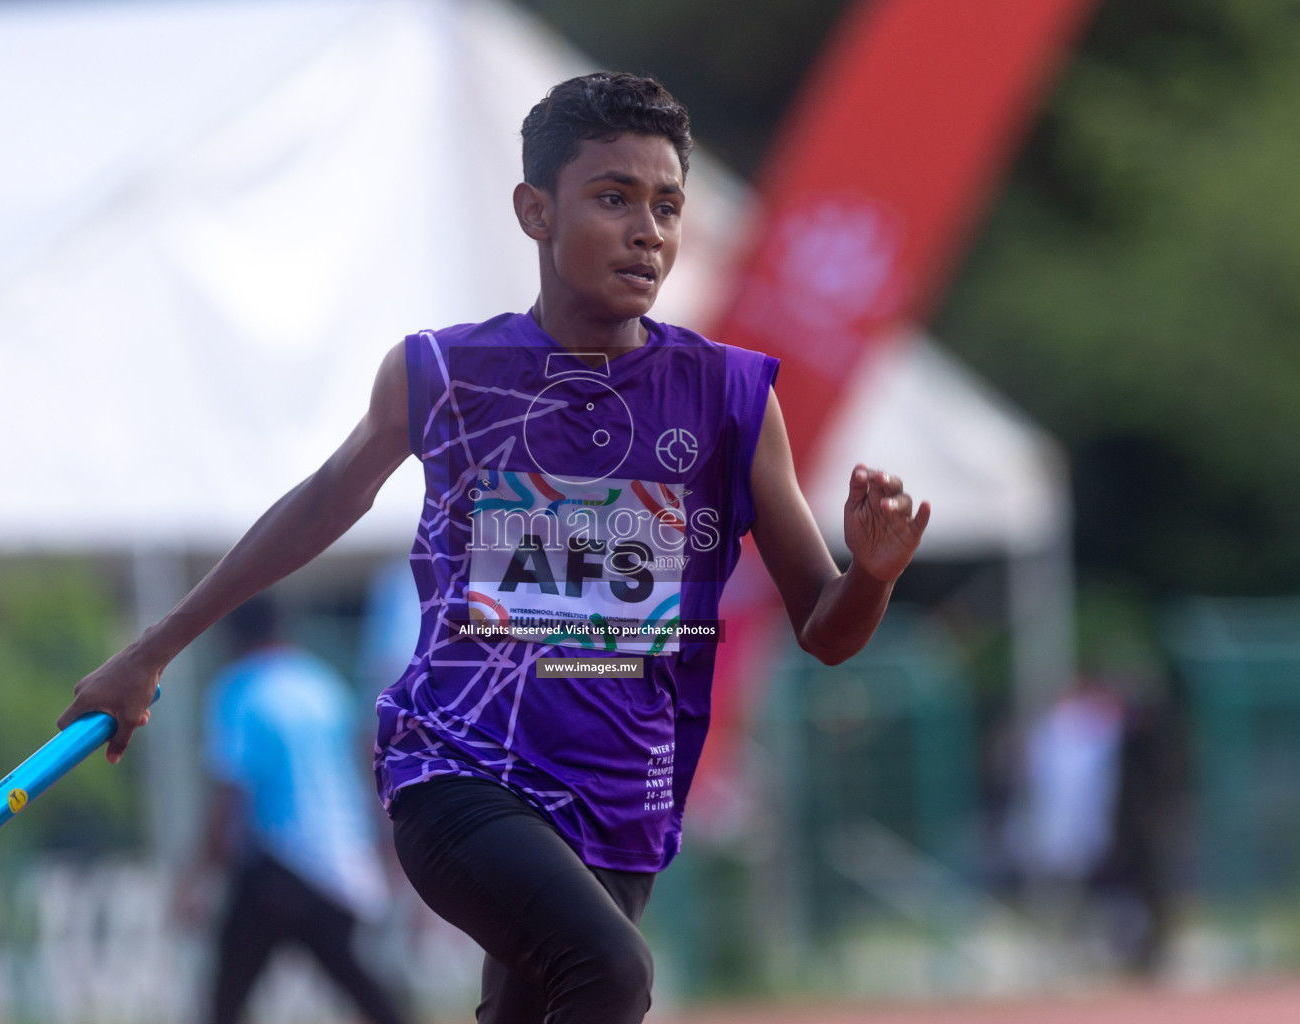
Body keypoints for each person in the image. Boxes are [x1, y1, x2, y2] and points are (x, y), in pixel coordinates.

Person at [60, 73, 930, 1024]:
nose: (648, 231)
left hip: (621, 802)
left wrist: (874, 576)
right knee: (612, 973)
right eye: (613, 198)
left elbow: (826, 629)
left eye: (668, 206)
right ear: (535, 211)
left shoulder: (728, 397)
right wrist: (153, 650)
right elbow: (318, 506)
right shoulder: (445, 374)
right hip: (459, 774)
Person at [190, 594, 409, 1024]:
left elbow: (231, 789)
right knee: (358, 981)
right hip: (338, 865)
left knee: (227, 995)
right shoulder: (323, 683)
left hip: (279, 863)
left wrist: (200, 874)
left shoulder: (239, 687)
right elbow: (363, 767)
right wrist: (384, 842)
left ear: (234, 637)